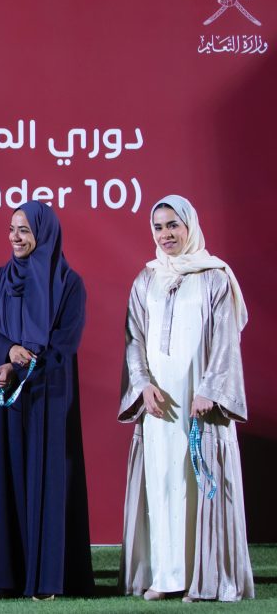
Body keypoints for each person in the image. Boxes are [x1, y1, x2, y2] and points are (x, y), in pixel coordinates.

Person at [118, 195, 254, 602]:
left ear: (189, 226)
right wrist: (142, 383)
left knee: (197, 479)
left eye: (173, 225)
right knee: (163, 482)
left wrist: (210, 388)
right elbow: (134, 338)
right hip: (159, 402)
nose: (166, 234)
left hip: (200, 399)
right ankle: (166, 576)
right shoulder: (146, 279)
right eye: (158, 227)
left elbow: (226, 339)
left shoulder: (215, 277)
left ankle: (204, 579)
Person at [0, 201, 94, 601]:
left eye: (24, 230)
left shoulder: (69, 284)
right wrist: (7, 352)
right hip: (1, 390)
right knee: (1, 477)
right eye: (11, 229)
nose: (15, 237)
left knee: (45, 479)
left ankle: (44, 580)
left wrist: (23, 367)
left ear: (44, 233)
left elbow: (64, 344)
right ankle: (1, 577)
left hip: (47, 395)